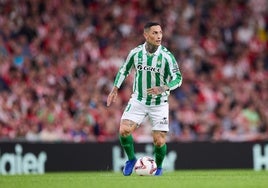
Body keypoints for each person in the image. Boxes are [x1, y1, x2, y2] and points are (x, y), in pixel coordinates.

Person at [106, 22, 182, 176]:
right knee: (124, 131)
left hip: (159, 103)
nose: (159, 36)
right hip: (139, 100)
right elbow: (124, 70)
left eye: (160, 32)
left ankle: (159, 167)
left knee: (159, 141)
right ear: (146, 35)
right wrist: (115, 89)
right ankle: (131, 159)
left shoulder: (166, 56)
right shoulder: (136, 53)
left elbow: (178, 78)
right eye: (154, 33)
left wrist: (163, 88)